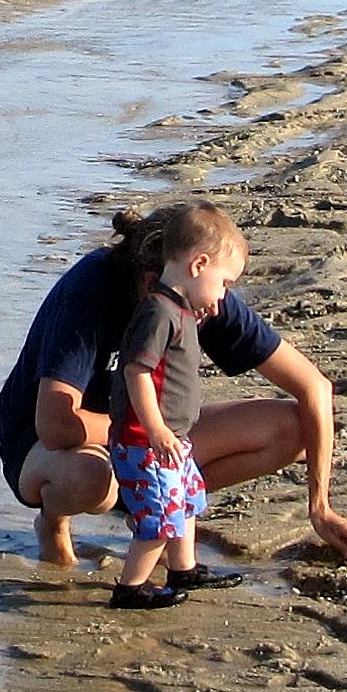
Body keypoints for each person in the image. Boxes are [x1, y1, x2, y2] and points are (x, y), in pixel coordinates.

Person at [0, 200, 347, 573]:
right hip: (46, 446)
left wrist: (320, 507)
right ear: (156, 279)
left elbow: (314, 387)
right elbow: (56, 425)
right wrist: (148, 428)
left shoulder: (203, 292)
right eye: (223, 285)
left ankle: (157, 511)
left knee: (293, 430)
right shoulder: (94, 288)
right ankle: (54, 522)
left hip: (147, 436)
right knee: (91, 479)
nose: (219, 304)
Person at [104, 210, 246, 608]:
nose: (222, 297)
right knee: (159, 515)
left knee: (186, 500)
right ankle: (130, 588)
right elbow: (136, 372)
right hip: (146, 442)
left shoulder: (179, 310)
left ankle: (184, 568)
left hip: (172, 438)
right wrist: (155, 429)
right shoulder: (158, 312)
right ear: (198, 265)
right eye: (223, 283)